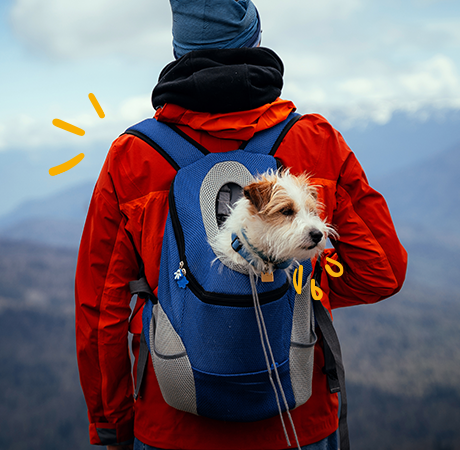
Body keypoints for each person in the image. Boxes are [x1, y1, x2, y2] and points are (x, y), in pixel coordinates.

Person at [75, 1, 408, 449]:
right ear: (253, 38)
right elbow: (382, 272)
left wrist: (111, 423)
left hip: (173, 426)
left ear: (179, 51)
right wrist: (300, 291)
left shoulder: (133, 156)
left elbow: (101, 313)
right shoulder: (314, 141)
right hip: (298, 420)